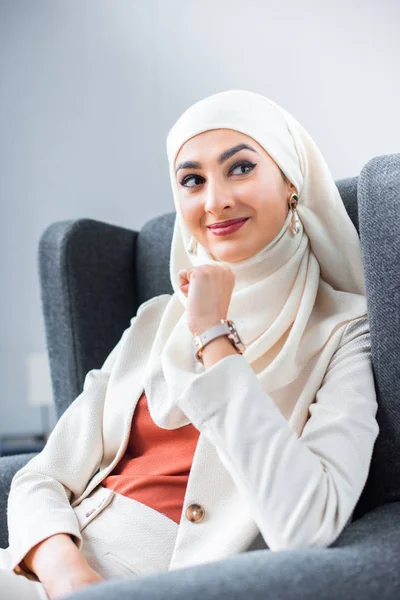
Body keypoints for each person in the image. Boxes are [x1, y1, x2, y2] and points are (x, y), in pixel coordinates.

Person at [0, 90, 379, 599]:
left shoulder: (344, 331)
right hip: (45, 575)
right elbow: (40, 477)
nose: (215, 200)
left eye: (240, 168)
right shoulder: (156, 320)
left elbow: (306, 524)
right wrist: (70, 577)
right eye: (193, 180)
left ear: (291, 181)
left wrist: (212, 334)